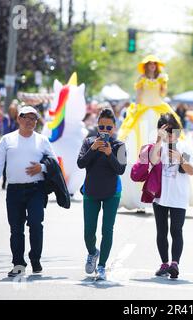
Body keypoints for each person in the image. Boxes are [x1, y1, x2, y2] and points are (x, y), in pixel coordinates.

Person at [0, 106, 57, 277]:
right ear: (19, 119)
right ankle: (18, 263)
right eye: (26, 117)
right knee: (16, 229)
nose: (30, 121)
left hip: (36, 189)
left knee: (35, 224)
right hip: (14, 190)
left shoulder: (42, 140)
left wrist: (42, 166)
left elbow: (54, 163)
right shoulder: (7, 139)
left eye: (33, 118)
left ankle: (35, 259)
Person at [117, 55, 182, 211]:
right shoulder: (141, 79)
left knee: (170, 132)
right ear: (146, 66)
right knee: (140, 143)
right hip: (144, 111)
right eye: (149, 63)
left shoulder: (161, 78)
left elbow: (163, 94)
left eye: (154, 63)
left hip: (159, 108)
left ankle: (165, 191)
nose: (152, 65)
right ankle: (139, 191)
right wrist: (137, 110)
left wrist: (162, 82)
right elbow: (139, 97)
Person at [77, 109, 127, 281]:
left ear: (113, 128)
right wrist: (93, 149)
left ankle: (101, 266)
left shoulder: (119, 145)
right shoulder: (88, 142)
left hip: (112, 192)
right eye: (101, 127)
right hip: (91, 191)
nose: (105, 130)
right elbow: (80, 163)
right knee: (88, 231)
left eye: (108, 127)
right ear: (97, 126)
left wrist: (109, 153)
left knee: (107, 230)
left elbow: (120, 169)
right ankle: (92, 252)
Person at [149, 113, 193, 279]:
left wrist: (181, 159)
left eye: (172, 130)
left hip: (179, 197)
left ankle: (175, 264)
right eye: (166, 130)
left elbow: (192, 171)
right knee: (161, 231)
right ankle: (164, 264)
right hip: (160, 196)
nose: (170, 134)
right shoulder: (159, 146)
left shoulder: (184, 147)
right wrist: (158, 141)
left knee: (177, 230)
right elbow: (153, 161)